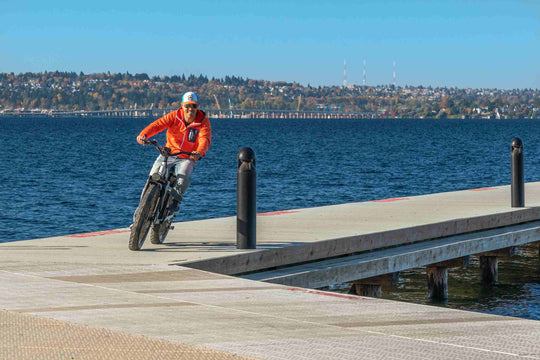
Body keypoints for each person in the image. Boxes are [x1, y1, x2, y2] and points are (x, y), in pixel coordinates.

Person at [136, 91, 211, 213]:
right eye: (187, 106)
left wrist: (199, 152)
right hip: (169, 153)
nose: (190, 109)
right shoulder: (175, 116)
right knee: (152, 179)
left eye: (193, 106)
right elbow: (158, 125)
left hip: (188, 156)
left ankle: (175, 201)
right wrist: (143, 135)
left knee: (183, 177)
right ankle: (140, 215)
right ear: (182, 106)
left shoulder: (203, 122)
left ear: (198, 106)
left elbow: (205, 139)